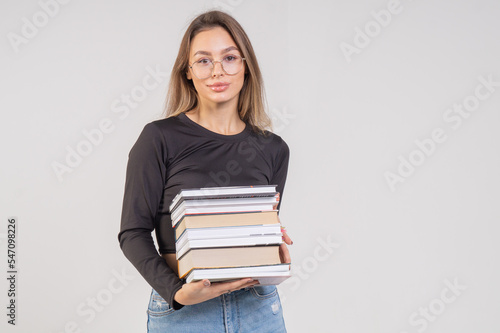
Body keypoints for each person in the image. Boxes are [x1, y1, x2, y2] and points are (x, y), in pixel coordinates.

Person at [118, 9, 292, 332]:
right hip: (186, 313)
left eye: (229, 58)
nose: (217, 72)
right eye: (203, 60)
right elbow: (132, 232)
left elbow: (245, 234)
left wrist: (274, 244)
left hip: (258, 307)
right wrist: (178, 293)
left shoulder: (275, 149)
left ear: (245, 66)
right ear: (188, 71)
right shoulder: (158, 139)